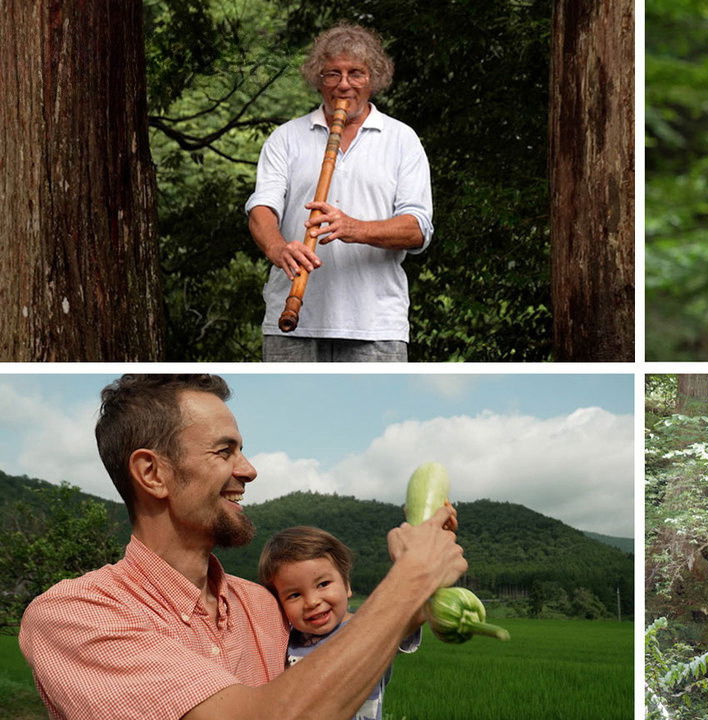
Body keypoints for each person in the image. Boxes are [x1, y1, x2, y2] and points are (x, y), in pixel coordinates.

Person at [18, 375, 465, 720]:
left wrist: (427, 589)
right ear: (153, 474)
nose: (249, 470)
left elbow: (347, 644)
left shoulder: (265, 605)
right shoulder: (74, 615)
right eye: (224, 452)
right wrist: (410, 579)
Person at [247, 23, 433, 362]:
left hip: (376, 326)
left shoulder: (402, 139)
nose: (344, 84)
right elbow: (261, 209)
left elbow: (417, 228)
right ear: (318, 79)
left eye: (356, 73)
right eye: (333, 73)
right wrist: (277, 248)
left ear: (373, 79)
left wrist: (354, 228)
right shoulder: (286, 138)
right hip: (293, 323)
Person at [260, 527, 422, 720]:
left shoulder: (368, 627)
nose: (312, 602)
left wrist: (410, 562)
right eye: (295, 595)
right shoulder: (285, 642)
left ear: (347, 584)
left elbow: (406, 615)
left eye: (323, 584)